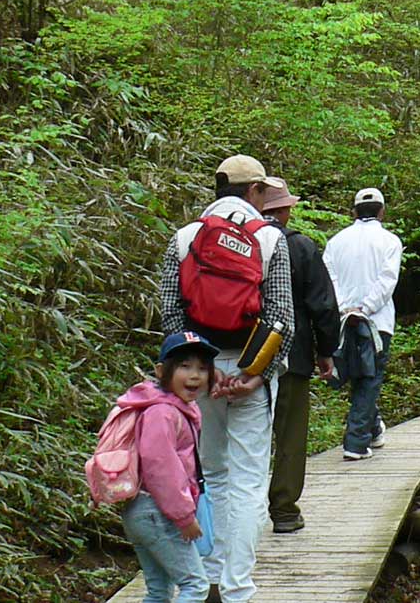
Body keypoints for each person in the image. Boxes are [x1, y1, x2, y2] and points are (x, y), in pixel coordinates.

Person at [159, 154, 295, 603]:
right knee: (249, 480)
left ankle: (209, 576)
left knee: (211, 472)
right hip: (250, 372)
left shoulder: (184, 238)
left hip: (201, 374)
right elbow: (280, 319)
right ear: (255, 191)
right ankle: (238, 589)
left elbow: (172, 314)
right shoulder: (271, 238)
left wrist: (198, 372)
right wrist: (256, 375)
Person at [259, 178, 339, 533]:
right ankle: (285, 510)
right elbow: (322, 305)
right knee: (289, 435)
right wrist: (326, 351)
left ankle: (241, 511)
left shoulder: (243, 243)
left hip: (243, 357)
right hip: (292, 357)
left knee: (248, 434)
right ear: (285, 210)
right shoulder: (301, 247)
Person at [118, 331, 220, 603]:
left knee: (159, 591)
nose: (195, 376)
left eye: (202, 368)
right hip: (157, 511)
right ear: (162, 370)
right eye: (184, 366)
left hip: (143, 511)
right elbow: (160, 468)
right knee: (195, 586)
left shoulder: (174, 408)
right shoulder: (162, 412)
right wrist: (184, 516)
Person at [323, 187, 403, 460]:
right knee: (369, 376)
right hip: (376, 322)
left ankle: (374, 429)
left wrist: (346, 307)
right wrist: (365, 308)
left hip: (344, 320)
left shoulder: (336, 242)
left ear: (354, 211)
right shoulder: (390, 241)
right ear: (382, 211)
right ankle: (355, 443)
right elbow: (387, 281)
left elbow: (329, 279)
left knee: (358, 375)